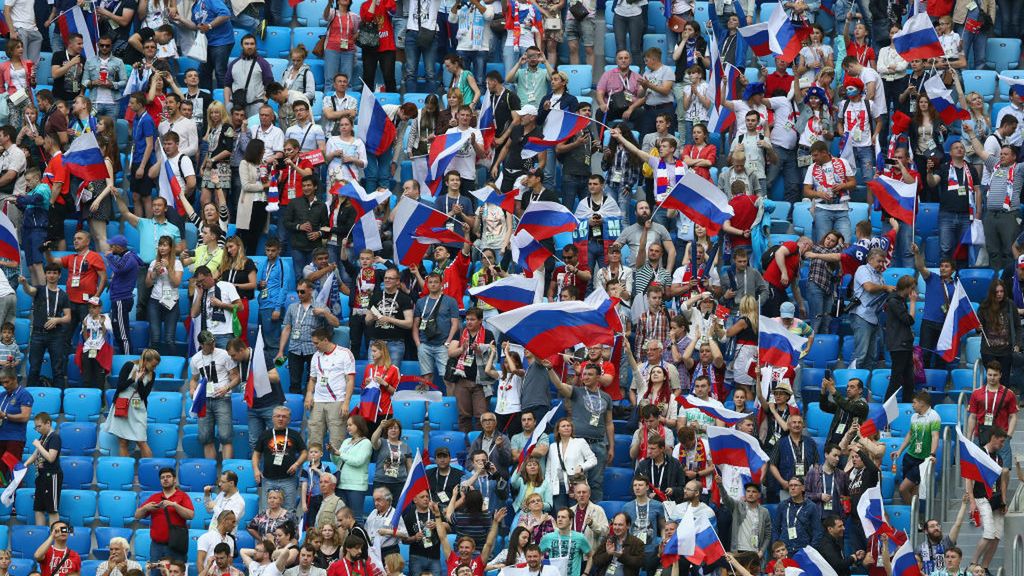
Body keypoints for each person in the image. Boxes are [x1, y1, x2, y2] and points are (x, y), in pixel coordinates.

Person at [546, 361, 615, 502]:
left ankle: (594, 517)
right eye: (584, 374)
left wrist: (612, 447)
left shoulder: (606, 397)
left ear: (598, 377)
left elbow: (609, 423)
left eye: (590, 374)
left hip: (599, 444)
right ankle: (576, 517)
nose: (586, 377)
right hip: (578, 443)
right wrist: (550, 368)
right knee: (577, 483)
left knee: (596, 483)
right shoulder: (576, 391)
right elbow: (559, 385)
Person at [276, 279, 341, 394]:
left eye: (302, 292)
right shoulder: (292, 307)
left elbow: (336, 323)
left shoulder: (320, 306)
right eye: (298, 292)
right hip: (295, 348)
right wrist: (281, 351)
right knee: (294, 381)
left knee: (312, 380)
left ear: (310, 291)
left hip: (313, 349)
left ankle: (309, 402)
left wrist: (325, 313)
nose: (299, 294)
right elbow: (287, 329)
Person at [190, 330, 238, 459]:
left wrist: (226, 388)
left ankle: (227, 472)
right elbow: (194, 379)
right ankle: (211, 473)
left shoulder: (224, 355)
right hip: (203, 400)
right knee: (205, 437)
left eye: (213, 343)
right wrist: (192, 390)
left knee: (225, 436)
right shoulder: (195, 359)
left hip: (222, 398)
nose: (211, 346)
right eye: (208, 344)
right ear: (201, 344)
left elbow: (236, 376)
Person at [21, 265, 71, 389]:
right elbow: (29, 291)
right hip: (38, 334)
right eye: (49, 272)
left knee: (58, 369)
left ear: (59, 275)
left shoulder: (63, 295)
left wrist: (57, 319)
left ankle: (59, 400)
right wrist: (24, 283)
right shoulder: (39, 289)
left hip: (56, 335)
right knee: (34, 368)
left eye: (54, 273)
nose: (51, 275)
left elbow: (68, 317)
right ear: (45, 275)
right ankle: (30, 400)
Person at [306, 327, 355, 448]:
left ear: (326, 340)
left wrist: (346, 403)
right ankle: (313, 465)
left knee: (337, 440)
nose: (314, 346)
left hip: (337, 401)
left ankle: (338, 466)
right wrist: (308, 394)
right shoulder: (316, 356)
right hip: (318, 401)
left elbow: (350, 380)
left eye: (316, 343)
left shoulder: (345, 353)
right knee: (314, 437)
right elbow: (312, 379)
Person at [967, 426, 1009, 571]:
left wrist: (1004, 500)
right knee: (989, 533)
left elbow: (1002, 481)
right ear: (993, 438)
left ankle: (984, 568)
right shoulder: (979, 454)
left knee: (997, 536)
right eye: (1001, 442)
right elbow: (969, 478)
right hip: (982, 497)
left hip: (996, 500)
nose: (1002, 445)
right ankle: (972, 564)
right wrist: (971, 501)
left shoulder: (999, 458)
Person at [253, 406, 308, 511]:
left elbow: (304, 452)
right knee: (266, 510)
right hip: (268, 479)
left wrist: (297, 464)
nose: (281, 419)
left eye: (284, 417)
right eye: (278, 416)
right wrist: (256, 469)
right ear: (273, 418)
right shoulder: (265, 434)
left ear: (289, 420)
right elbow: (256, 454)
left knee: (289, 511)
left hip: (288, 479)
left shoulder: (294, 434)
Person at [135, 467, 195, 562]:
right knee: (155, 573)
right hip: (157, 546)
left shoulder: (183, 496)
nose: (165, 479)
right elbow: (137, 516)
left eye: (168, 476)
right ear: (160, 481)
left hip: (176, 545)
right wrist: (145, 508)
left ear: (174, 480)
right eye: (162, 477)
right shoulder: (154, 497)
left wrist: (174, 505)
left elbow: (190, 515)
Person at [965, 362, 1018, 467]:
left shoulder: (1009, 394)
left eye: (995, 375)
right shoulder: (976, 393)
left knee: (1004, 470)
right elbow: (972, 416)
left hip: (1001, 436)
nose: (992, 378)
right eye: (990, 375)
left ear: (1000, 375)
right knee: (978, 469)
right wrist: (968, 437)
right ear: (986, 375)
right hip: (980, 435)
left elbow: (1013, 416)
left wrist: (1009, 436)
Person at [884, 275, 918, 401]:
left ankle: (907, 405)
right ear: (907, 288)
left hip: (905, 344)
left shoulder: (899, 300)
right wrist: (913, 303)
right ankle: (885, 409)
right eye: (912, 288)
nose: (914, 292)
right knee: (896, 379)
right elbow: (909, 320)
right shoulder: (894, 301)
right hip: (899, 345)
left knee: (909, 379)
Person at [24, 412, 61, 526]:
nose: (37, 429)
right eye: (36, 427)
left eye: (39, 426)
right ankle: (41, 538)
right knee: (38, 508)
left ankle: (54, 539)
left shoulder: (54, 437)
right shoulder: (43, 437)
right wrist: (24, 465)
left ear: (48, 423)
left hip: (52, 476)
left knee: (51, 509)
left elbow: (51, 458)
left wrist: (39, 445)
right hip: (41, 476)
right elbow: (35, 455)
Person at [538, 508, 592, 576]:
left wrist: (585, 573)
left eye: (563, 517)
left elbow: (590, 556)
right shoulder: (548, 537)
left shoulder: (580, 538)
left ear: (570, 520)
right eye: (558, 517)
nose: (560, 519)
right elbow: (537, 555)